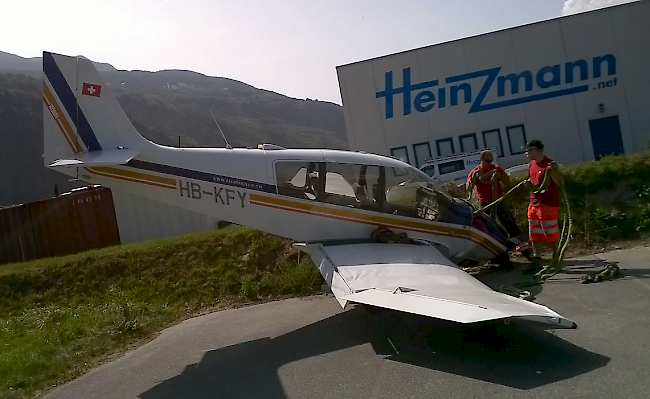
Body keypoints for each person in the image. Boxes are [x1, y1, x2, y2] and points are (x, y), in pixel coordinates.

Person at [466, 150, 522, 241]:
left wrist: (499, 176)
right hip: (485, 204)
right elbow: (468, 188)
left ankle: (520, 244)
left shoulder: (496, 169)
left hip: (498, 201)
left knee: (510, 224)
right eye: (487, 161)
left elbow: (507, 182)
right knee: (488, 228)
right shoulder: (475, 172)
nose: (489, 163)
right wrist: (474, 179)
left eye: (491, 161)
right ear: (481, 159)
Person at [524, 139, 561, 269]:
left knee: (550, 233)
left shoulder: (549, 164)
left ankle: (557, 256)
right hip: (533, 204)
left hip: (548, 204)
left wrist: (553, 172)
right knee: (534, 233)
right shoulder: (531, 165)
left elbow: (560, 183)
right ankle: (537, 258)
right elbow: (531, 180)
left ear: (536, 150)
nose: (526, 153)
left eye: (529, 150)